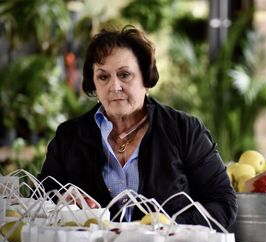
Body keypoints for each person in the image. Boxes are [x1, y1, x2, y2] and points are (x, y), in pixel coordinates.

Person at [38, 25, 237, 229]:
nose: (114, 87)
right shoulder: (69, 136)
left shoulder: (185, 130)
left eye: (124, 75)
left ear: (146, 79)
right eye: (103, 77)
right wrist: (63, 202)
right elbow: (42, 201)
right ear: (94, 83)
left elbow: (222, 203)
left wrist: (167, 228)